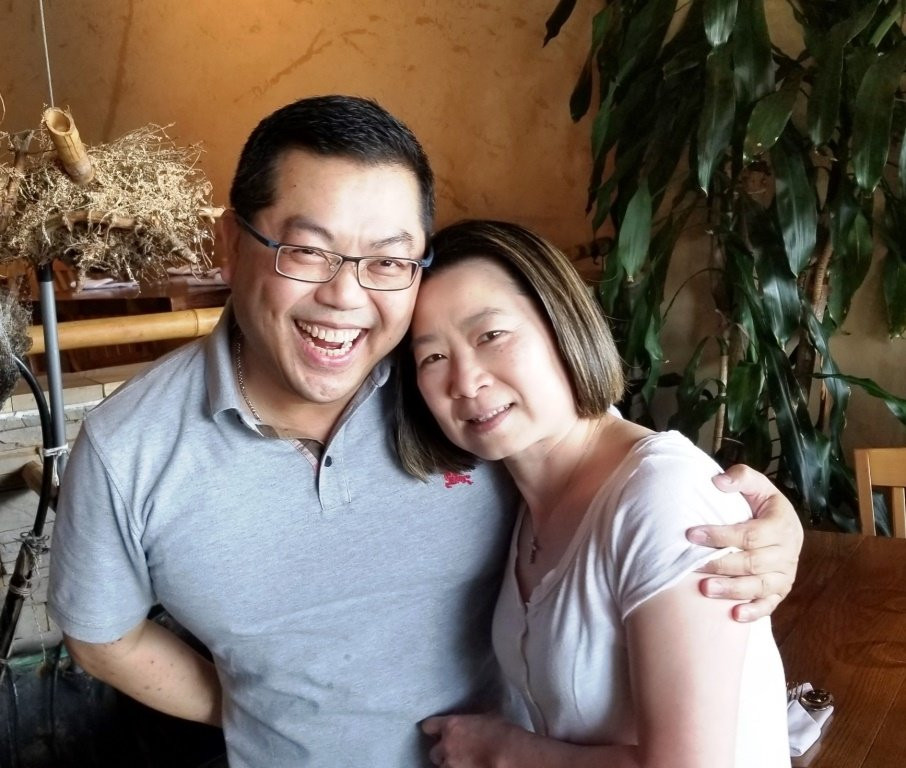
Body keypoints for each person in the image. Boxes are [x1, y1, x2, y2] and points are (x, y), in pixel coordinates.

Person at [48, 97, 801, 768]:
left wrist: (760, 520)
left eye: (387, 261)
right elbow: (102, 638)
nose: (346, 297)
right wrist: (256, 707)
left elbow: (619, 474)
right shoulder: (129, 448)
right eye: (307, 251)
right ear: (230, 245)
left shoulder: (444, 395)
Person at [397, 220, 791, 767]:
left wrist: (505, 753)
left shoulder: (664, 496)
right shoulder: (515, 488)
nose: (465, 381)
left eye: (491, 335)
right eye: (433, 357)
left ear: (562, 325)